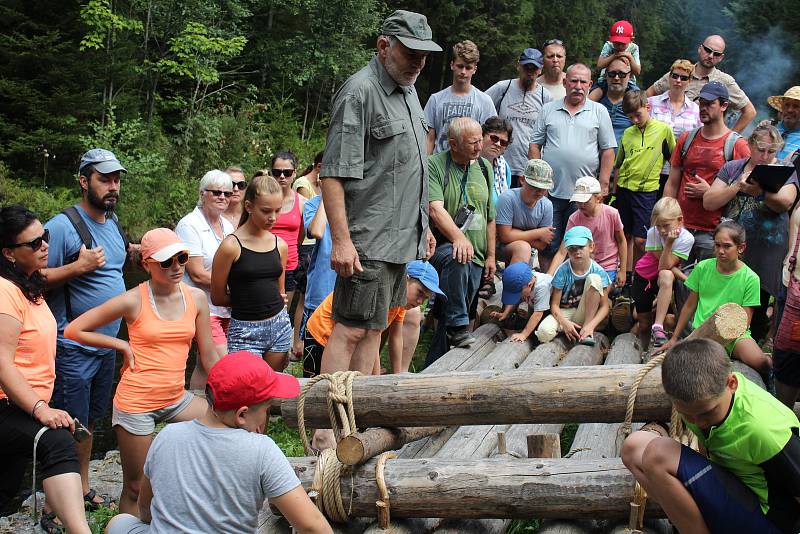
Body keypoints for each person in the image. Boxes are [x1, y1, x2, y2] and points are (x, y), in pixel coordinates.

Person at [319, 10, 439, 384]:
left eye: (424, 55)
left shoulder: (409, 88)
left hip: (400, 241)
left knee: (374, 328)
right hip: (367, 240)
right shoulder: (360, 92)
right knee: (351, 329)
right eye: (410, 53)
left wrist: (424, 227)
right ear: (384, 46)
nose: (418, 62)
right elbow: (333, 174)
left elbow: (406, 167)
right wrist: (341, 241)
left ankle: (354, 421)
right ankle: (325, 428)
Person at [64, 228, 218, 514]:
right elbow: (75, 329)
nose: (176, 267)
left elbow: (208, 355)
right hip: (137, 403)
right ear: (146, 264)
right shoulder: (133, 299)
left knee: (225, 426)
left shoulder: (196, 298)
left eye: (181, 258)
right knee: (136, 486)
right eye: (166, 262)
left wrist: (231, 389)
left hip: (176, 397)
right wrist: (122, 344)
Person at [105, 351, 332, 534]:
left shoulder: (166, 436)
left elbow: (145, 509)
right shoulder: (262, 450)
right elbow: (312, 526)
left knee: (120, 523)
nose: (266, 417)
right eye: (266, 409)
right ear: (242, 415)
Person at [622, 338, 800, 534]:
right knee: (633, 447)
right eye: (688, 414)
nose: (699, 423)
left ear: (731, 383)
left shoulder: (764, 431)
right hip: (733, 492)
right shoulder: (703, 400)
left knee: (658, 455)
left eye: (707, 412)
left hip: (770, 520)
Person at [42, 148, 132, 511]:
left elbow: (114, 267)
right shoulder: (63, 225)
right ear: (83, 181)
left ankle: (80, 486)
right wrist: (76, 268)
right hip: (72, 346)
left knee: (89, 421)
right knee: (66, 424)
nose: (113, 187)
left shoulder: (112, 222)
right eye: (104, 179)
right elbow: (33, 279)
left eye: (116, 180)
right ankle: (54, 503)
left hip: (105, 344)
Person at [0, 205, 91, 534]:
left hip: (23, 403)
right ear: (9, 253)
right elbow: (1, 363)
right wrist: (40, 408)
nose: (45, 246)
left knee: (6, 487)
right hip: (7, 404)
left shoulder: (29, 285)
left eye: (45, 237)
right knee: (57, 443)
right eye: (34, 243)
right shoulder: (4, 291)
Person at [703, 124, 798, 342]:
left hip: (766, 250)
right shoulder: (734, 168)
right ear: (750, 145)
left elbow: (785, 201)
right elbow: (709, 201)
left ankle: (752, 347)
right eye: (761, 149)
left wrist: (759, 192)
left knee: (757, 301)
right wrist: (737, 186)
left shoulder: (785, 169)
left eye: (771, 151)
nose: (765, 156)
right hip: (731, 247)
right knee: (724, 300)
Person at [656, 221, 771, 374]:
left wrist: (722, 343)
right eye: (717, 245)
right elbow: (690, 305)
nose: (721, 251)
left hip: (735, 335)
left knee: (760, 362)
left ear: (741, 248)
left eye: (727, 246)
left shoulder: (751, 278)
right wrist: (675, 337)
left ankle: (771, 370)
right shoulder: (703, 268)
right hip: (704, 332)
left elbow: (744, 320)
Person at [530, 63, 617, 255]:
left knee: (577, 243)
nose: (578, 86)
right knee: (548, 243)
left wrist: (603, 184)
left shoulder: (599, 111)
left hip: (584, 193)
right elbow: (535, 145)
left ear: (590, 84)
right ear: (565, 82)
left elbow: (608, 150)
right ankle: (548, 282)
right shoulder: (548, 109)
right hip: (550, 191)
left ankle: (573, 282)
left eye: (583, 82)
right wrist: (538, 182)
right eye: (573, 81)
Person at [427, 117, 496, 355]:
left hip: (476, 255)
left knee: (454, 317)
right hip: (444, 249)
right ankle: (456, 325)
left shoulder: (485, 167)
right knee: (457, 319)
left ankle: (434, 372)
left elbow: (489, 216)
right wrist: (458, 237)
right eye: (472, 143)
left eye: (480, 140)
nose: (479, 147)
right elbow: (435, 208)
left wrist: (490, 255)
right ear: (454, 144)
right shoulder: (435, 165)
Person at [306, 260, 443, 378]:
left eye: (425, 298)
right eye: (419, 292)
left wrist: (398, 375)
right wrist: (376, 378)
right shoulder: (384, 295)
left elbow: (396, 337)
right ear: (405, 279)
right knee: (317, 387)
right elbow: (373, 338)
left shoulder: (401, 302)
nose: (420, 301)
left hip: (346, 342)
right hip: (319, 336)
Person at [211, 175, 293, 372]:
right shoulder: (230, 246)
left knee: (273, 387)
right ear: (249, 207)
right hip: (245, 330)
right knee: (248, 390)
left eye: (277, 210)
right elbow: (217, 296)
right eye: (266, 211)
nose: (273, 217)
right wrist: (249, 300)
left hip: (279, 325)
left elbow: (279, 291)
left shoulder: (279, 245)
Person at [664, 82, 750, 263]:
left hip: (716, 233)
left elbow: (746, 188)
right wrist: (667, 217)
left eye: (710, 103)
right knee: (678, 283)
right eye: (701, 102)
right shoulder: (686, 139)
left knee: (710, 287)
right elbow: (672, 182)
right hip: (682, 227)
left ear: (724, 106)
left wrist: (710, 192)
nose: (703, 107)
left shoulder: (737, 145)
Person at [175, 169, 234, 386]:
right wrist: (234, 287)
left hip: (225, 304)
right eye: (216, 192)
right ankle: (219, 409)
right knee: (221, 362)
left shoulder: (227, 225)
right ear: (202, 194)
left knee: (203, 363)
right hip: (202, 307)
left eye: (227, 194)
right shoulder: (189, 225)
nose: (222, 197)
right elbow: (197, 273)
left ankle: (199, 407)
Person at [615, 90, 676, 274]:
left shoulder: (664, 130)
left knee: (642, 239)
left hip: (646, 191)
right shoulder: (627, 133)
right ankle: (625, 277)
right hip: (624, 189)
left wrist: (671, 189)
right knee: (623, 235)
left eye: (638, 115)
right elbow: (619, 163)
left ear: (647, 107)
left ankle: (645, 274)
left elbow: (674, 162)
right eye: (630, 117)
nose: (634, 120)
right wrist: (613, 191)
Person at [646, 35, 756, 134]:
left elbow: (749, 111)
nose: (710, 56)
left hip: (702, 142)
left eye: (716, 54)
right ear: (700, 48)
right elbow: (649, 94)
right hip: (667, 136)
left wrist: (729, 139)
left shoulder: (725, 82)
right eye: (708, 50)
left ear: (721, 58)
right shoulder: (681, 73)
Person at [631, 197, 694, 347]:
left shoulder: (687, 239)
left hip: (663, 278)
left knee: (666, 276)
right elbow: (663, 264)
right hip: (644, 276)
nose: (662, 231)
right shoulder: (653, 232)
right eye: (658, 226)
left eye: (666, 225)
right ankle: (643, 350)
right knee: (644, 324)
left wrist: (687, 280)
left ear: (679, 220)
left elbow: (666, 269)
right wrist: (669, 244)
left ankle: (658, 327)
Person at [485, 48, 553, 185]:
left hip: (528, 169)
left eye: (533, 68)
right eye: (526, 67)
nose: (529, 72)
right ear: (518, 66)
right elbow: (481, 106)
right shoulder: (503, 88)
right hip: (499, 165)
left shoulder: (546, 97)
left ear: (540, 70)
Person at [536, 226, 611, 345]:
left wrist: (591, 325)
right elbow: (554, 305)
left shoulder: (598, 271)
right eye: (572, 249)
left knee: (594, 279)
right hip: (565, 311)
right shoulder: (562, 271)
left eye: (581, 247)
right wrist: (564, 322)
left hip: (587, 312)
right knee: (543, 333)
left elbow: (604, 306)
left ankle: (586, 330)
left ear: (591, 247)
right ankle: (571, 330)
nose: (577, 252)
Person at [548, 177, 627, 286]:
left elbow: (622, 241)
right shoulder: (574, 218)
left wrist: (623, 270)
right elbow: (562, 251)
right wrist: (549, 276)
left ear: (598, 198)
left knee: (597, 291)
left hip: (607, 266)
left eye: (585, 201)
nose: (581, 205)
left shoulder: (612, 214)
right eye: (578, 201)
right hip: (582, 266)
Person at [424, 40, 495, 154]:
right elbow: (429, 139)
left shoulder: (484, 101)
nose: (463, 72)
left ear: (475, 69)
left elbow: (489, 139)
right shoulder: (436, 100)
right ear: (452, 65)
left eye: (468, 68)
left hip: (471, 167)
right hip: (439, 165)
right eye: (460, 66)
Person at [269, 151, 306, 359]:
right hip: (263, 263)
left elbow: (301, 234)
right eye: (277, 172)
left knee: (282, 310)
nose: (282, 176)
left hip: (289, 264)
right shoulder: (264, 199)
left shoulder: (301, 202)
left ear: (294, 173)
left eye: (287, 172)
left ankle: (278, 353)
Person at [647, 59, 702, 191]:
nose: (678, 80)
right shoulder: (651, 103)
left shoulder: (696, 110)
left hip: (679, 172)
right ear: (669, 77)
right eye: (675, 76)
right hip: (649, 169)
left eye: (683, 78)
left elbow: (698, 142)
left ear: (689, 82)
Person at [495, 158, 555, 270]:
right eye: (535, 187)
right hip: (499, 248)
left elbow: (542, 244)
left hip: (526, 251)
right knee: (523, 247)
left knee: (524, 247)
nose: (539, 192)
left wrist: (514, 233)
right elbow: (504, 236)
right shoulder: (508, 198)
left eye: (543, 188)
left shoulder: (547, 205)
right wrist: (538, 233)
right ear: (522, 180)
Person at [490, 261, 552, 343]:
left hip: (551, 311)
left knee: (540, 332)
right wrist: (506, 313)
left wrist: (524, 334)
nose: (517, 296)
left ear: (529, 285)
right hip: (535, 305)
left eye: (518, 294)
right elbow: (517, 300)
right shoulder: (527, 280)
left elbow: (538, 314)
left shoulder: (542, 287)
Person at [589, 56, 638, 146]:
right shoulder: (595, 99)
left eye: (622, 74)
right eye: (612, 74)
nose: (616, 78)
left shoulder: (636, 104)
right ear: (606, 75)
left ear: (630, 76)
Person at [592, 20, 641, 91]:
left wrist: (629, 57)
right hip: (605, 79)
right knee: (594, 95)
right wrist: (616, 55)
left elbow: (637, 71)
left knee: (635, 98)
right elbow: (599, 65)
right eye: (617, 43)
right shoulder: (608, 45)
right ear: (611, 39)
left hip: (628, 82)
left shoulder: (634, 48)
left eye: (623, 44)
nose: (620, 46)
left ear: (631, 40)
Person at [479, 116, 514, 201]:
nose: (498, 144)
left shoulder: (504, 167)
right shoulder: (468, 162)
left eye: (503, 142)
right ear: (482, 136)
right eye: (494, 138)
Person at [768, 86, 800, 160]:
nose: (789, 110)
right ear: (782, 107)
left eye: (796, 106)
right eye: (787, 105)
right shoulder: (769, 129)